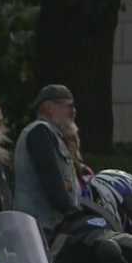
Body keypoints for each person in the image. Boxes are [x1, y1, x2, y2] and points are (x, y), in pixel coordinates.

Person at [13, 84, 81, 241]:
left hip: (48, 228)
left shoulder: (53, 135)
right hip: (39, 230)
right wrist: (76, 216)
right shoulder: (40, 132)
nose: (73, 112)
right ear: (49, 108)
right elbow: (52, 183)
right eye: (68, 106)